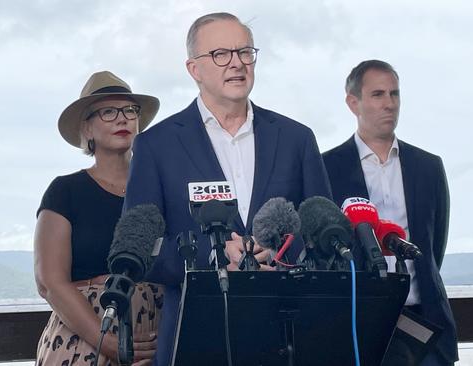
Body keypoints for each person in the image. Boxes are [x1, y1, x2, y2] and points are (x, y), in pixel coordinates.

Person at [123, 13, 331, 365]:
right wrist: (213, 255)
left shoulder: (297, 139)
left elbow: (324, 235)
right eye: (221, 54)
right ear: (194, 69)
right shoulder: (156, 146)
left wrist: (281, 256)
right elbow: (140, 248)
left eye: (245, 52)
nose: (237, 63)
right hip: (195, 338)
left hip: (286, 335)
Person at [322, 60, 458, 365]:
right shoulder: (327, 168)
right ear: (353, 102)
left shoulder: (428, 167)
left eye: (395, 94)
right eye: (378, 94)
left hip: (424, 322)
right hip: (357, 324)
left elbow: (434, 245)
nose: (389, 104)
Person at [34, 71, 162, 366]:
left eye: (130, 110)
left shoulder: (158, 188)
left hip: (153, 336)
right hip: (84, 336)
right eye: (108, 112)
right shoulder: (65, 191)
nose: (122, 118)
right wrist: (108, 342)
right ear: (87, 129)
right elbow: (49, 281)